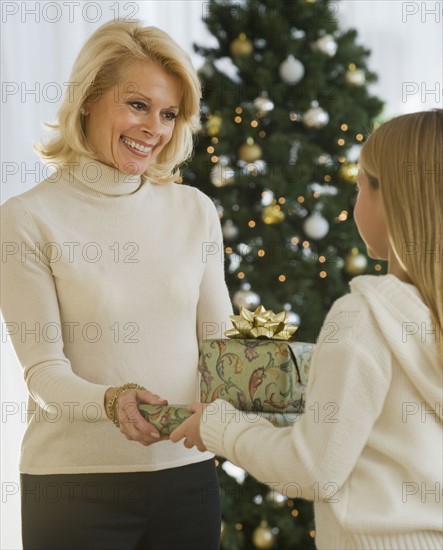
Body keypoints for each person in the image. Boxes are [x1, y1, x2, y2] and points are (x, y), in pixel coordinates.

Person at [0, 19, 233, 550]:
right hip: (75, 489)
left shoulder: (194, 210)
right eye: (137, 105)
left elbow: (219, 347)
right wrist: (113, 401)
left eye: (169, 113)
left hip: (188, 480)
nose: (155, 128)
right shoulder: (27, 218)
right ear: (88, 100)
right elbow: (43, 372)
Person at [171, 109, 443, 549]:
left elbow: (312, 469)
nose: (354, 203)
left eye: (360, 187)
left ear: (390, 198)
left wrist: (219, 426)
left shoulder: (364, 318)